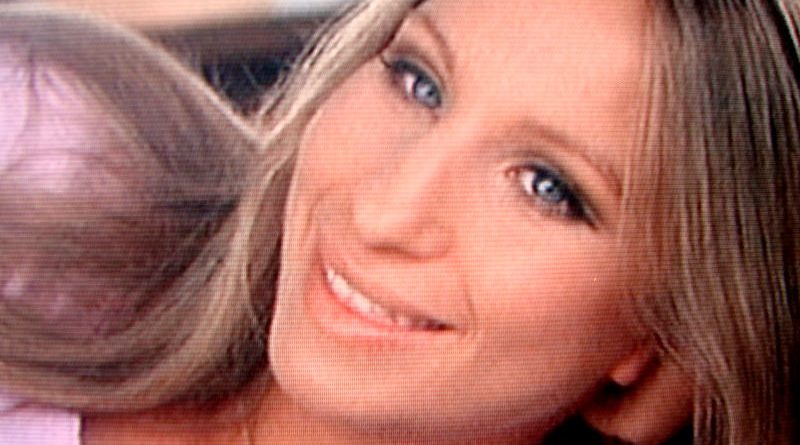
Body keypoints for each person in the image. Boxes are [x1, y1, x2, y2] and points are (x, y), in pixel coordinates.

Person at [1, 1, 798, 444]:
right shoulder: (46, 141)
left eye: (546, 187)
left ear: (664, 334)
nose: (385, 211)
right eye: (418, 81)